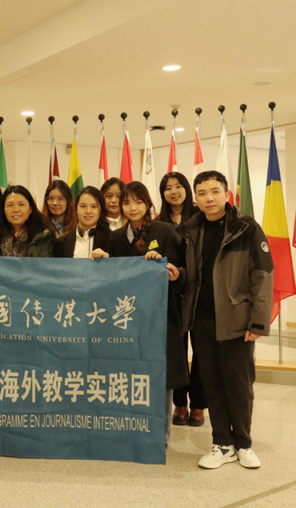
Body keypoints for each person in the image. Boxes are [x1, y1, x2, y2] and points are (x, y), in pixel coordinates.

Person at [181, 170, 273, 470]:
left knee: (239, 385)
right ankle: (222, 443)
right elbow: (192, 274)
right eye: (202, 193)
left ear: (227, 194)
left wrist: (258, 322)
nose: (209, 198)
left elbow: (263, 275)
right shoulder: (191, 229)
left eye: (214, 191)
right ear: (196, 199)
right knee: (211, 383)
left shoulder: (246, 228)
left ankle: (244, 443)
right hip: (202, 319)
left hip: (236, 319)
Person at [109, 181, 187, 446]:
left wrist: (169, 267)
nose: (132, 207)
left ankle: (160, 434)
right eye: (127, 202)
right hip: (127, 319)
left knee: (160, 375)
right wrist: (100, 259)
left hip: (160, 316)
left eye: (138, 202)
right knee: (130, 374)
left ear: (148, 203)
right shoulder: (116, 237)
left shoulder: (165, 231)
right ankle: (132, 426)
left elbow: (182, 269)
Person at [158, 172, 207, 428]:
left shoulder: (201, 217)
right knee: (176, 350)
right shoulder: (157, 223)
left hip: (198, 293)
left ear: (187, 189)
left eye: (178, 186)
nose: (174, 191)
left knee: (201, 351)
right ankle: (180, 403)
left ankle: (198, 403)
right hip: (170, 295)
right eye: (168, 188)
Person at [0, 185, 53, 257]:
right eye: (10, 205)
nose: (16, 210)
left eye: (21, 204)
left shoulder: (43, 237)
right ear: (3, 209)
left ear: (30, 209)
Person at [54, 186, 111, 259]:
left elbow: (121, 263)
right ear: (76, 209)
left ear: (101, 211)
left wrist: (107, 258)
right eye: (83, 206)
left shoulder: (112, 239)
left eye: (94, 206)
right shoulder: (62, 243)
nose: (88, 211)